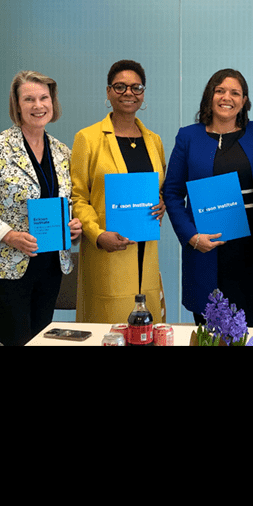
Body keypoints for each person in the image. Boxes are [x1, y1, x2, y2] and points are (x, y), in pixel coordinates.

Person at [162, 68, 253, 327]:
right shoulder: (188, 137)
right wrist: (191, 236)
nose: (227, 97)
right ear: (210, 96)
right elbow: (171, 193)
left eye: (235, 93)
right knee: (214, 336)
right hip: (208, 252)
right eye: (220, 90)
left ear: (244, 101)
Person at [0, 71, 82, 346]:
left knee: (43, 341)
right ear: (17, 105)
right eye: (29, 99)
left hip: (50, 266)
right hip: (8, 268)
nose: (38, 106)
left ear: (53, 102)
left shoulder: (63, 152)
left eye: (44, 98)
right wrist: (9, 235)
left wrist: (72, 225)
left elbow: (64, 202)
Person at [71, 59, 166, 324]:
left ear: (143, 94)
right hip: (107, 249)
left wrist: (162, 203)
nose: (128, 93)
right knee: (111, 330)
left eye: (136, 87)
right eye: (120, 86)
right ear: (108, 92)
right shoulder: (87, 138)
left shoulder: (154, 140)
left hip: (145, 249)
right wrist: (97, 235)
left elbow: (158, 189)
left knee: (147, 327)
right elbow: (78, 197)